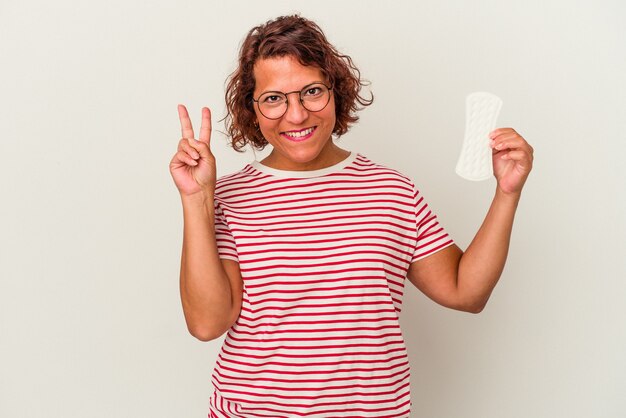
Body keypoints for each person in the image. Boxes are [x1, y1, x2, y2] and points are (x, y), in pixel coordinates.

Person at [169, 15, 533, 418]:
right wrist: (197, 198)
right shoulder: (228, 198)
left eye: (311, 92)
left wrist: (506, 192)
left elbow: (466, 292)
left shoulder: (392, 191)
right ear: (252, 110)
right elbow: (206, 323)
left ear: (336, 93)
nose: (296, 115)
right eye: (274, 98)